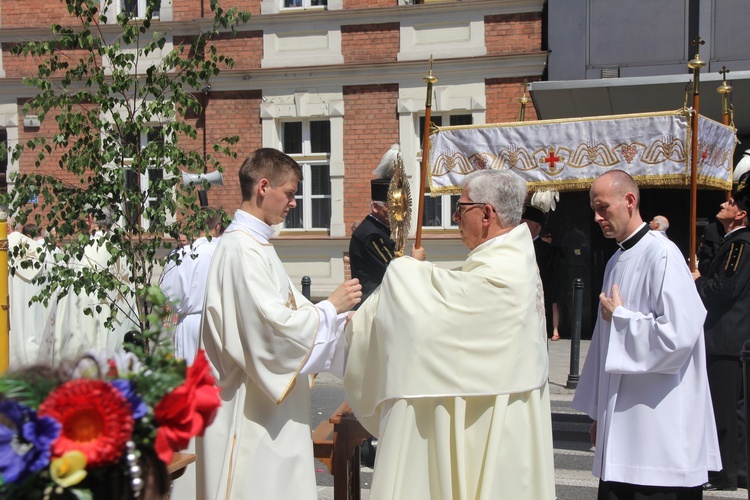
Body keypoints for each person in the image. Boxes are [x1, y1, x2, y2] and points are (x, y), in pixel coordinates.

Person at [344, 169, 555, 499]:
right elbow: (459, 297)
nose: (455, 216)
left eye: (461, 207)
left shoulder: (506, 269)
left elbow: (444, 309)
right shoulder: (512, 257)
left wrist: (405, 272)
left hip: (492, 419)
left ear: (487, 214)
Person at [196, 148, 362, 500]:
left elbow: (291, 307)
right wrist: (329, 309)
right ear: (263, 187)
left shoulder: (258, 245)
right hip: (249, 409)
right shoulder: (240, 250)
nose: (294, 203)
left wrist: (342, 319)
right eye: (289, 193)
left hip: (272, 408)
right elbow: (272, 330)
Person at [572, 170, 720, 499]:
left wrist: (622, 319)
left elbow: (680, 334)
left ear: (629, 201)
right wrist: (600, 414)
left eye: (602, 207)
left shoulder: (663, 255)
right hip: (621, 426)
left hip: (659, 429)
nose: (597, 217)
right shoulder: (615, 260)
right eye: (594, 210)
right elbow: (604, 344)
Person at [693, 171, 750, 491]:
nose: (724, 204)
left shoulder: (739, 244)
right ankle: (737, 471)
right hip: (732, 339)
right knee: (736, 412)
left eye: (730, 203)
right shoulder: (732, 241)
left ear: (740, 214)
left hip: (726, 340)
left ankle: (724, 474)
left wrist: (697, 281)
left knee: (725, 412)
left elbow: (723, 288)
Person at [161, 207, 225, 366]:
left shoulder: (182, 255)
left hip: (191, 323)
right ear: (217, 227)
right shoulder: (227, 252)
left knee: (192, 379)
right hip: (221, 322)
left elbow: (169, 294)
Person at [349, 156, 396, 308]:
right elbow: (394, 270)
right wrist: (417, 262)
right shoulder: (372, 235)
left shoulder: (378, 229)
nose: (397, 212)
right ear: (376, 207)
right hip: (372, 305)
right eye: (391, 207)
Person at [522, 190, 561, 341]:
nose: (520, 227)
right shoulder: (512, 246)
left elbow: (551, 278)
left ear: (537, 226)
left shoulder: (548, 250)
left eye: (524, 224)